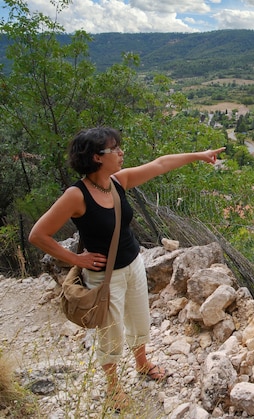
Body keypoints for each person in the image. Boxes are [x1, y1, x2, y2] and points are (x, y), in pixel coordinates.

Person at [29, 127, 225, 412]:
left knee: (140, 319)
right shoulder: (77, 195)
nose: (121, 153)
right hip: (104, 277)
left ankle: (142, 362)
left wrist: (199, 155)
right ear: (97, 157)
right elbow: (38, 234)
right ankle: (113, 387)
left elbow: (160, 164)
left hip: (134, 264)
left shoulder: (117, 182)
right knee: (110, 332)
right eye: (115, 149)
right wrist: (77, 259)